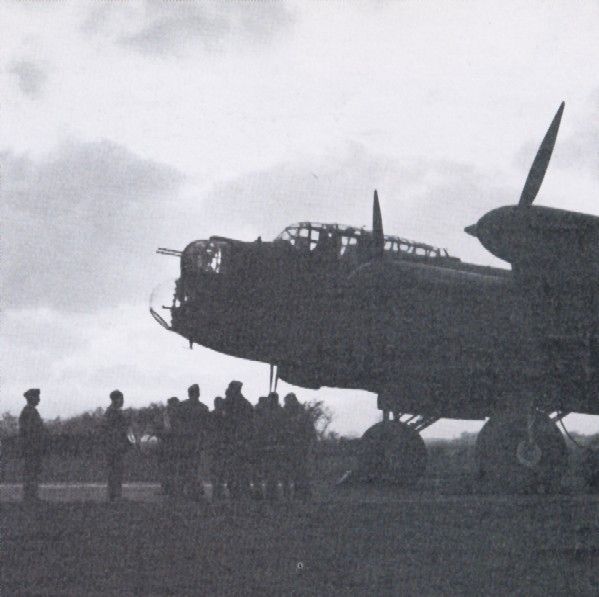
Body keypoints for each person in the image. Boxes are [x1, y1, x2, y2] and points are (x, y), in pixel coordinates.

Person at [222, 381, 254, 498]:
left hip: (234, 442)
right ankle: (240, 490)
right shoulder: (245, 404)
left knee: (236, 469)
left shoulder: (231, 404)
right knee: (239, 469)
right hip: (239, 442)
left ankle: (237, 491)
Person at [177, 384, 209, 499]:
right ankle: (195, 489)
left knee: (184, 466)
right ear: (198, 393)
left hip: (184, 441)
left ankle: (183, 489)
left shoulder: (182, 406)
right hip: (197, 441)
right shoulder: (203, 408)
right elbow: (206, 427)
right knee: (195, 466)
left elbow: (177, 423)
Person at [282, 393, 316, 500]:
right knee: (296, 471)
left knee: (300, 471)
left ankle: (303, 493)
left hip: (300, 447)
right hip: (292, 446)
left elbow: (309, 431)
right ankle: (300, 493)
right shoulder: (290, 413)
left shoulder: (301, 414)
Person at [103, 390, 132, 502]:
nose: (123, 401)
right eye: (121, 398)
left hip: (112, 446)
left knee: (114, 471)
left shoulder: (110, 412)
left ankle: (114, 495)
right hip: (115, 446)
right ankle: (116, 495)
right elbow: (120, 430)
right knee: (116, 471)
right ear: (116, 399)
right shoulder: (114, 413)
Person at [19, 388, 47, 502]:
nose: (39, 399)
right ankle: (30, 496)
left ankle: (31, 496)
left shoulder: (29, 411)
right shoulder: (29, 412)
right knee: (31, 471)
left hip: (32, 446)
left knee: (32, 471)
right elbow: (31, 431)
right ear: (32, 398)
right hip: (31, 447)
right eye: (37, 397)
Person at [158, 397, 180, 495]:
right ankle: (169, 488)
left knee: (169, 468)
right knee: (170, 467)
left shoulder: (166, 415)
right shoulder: (169, 415)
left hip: (169, 444)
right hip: (170, 444)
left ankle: (169, 488)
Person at [209, 397, 227, 500]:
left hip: (214, 445)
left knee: (215, 470)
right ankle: (218, 491)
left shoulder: (211, 415)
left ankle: (216, 491)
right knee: (220, 470)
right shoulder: (225, 416)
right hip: (221, 446)